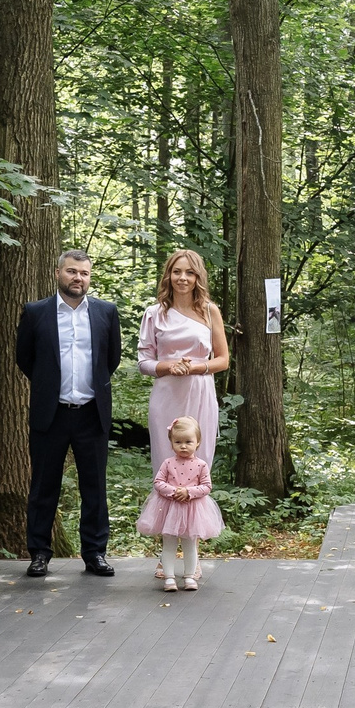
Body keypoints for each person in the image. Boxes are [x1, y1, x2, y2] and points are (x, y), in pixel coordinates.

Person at [16, 249, 122, 577]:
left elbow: (112, 359)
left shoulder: (107, 312)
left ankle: (94, 553)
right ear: (58, 272)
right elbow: (25, 359)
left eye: (84, 273)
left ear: (90, 278)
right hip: (52, 413)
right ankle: (39, 553)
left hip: (92, 413)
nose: (78, 278)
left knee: (94, 486)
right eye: (72, 271)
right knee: (44, 486)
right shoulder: (36, 313)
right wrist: (50, 386)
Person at [138, 248, 229, 474]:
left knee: (198, 465)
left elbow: (223, 360)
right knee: (166, 466)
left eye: (189, 272)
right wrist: (170, 366)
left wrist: (196, 367)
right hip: (166, 395)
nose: (182, 278)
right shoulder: (154, 313)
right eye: (176, 272)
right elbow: (143, 362)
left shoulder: (210, 311)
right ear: (168, 275)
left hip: (200, 392)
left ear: (198, 277)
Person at [140, 414, 221, 590]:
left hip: (192, 510)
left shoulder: (201, 465)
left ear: (197, 442)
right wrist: (174, 491)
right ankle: (169, 576)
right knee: (169, 543)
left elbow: (207, 486)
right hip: (170, 508)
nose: (183, 446)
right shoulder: (168, 463)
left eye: (188, 442)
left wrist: (189, 492)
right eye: (178, 442)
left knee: (190, 544)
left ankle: (189, 576)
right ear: (172, 443)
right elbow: (158, 482)